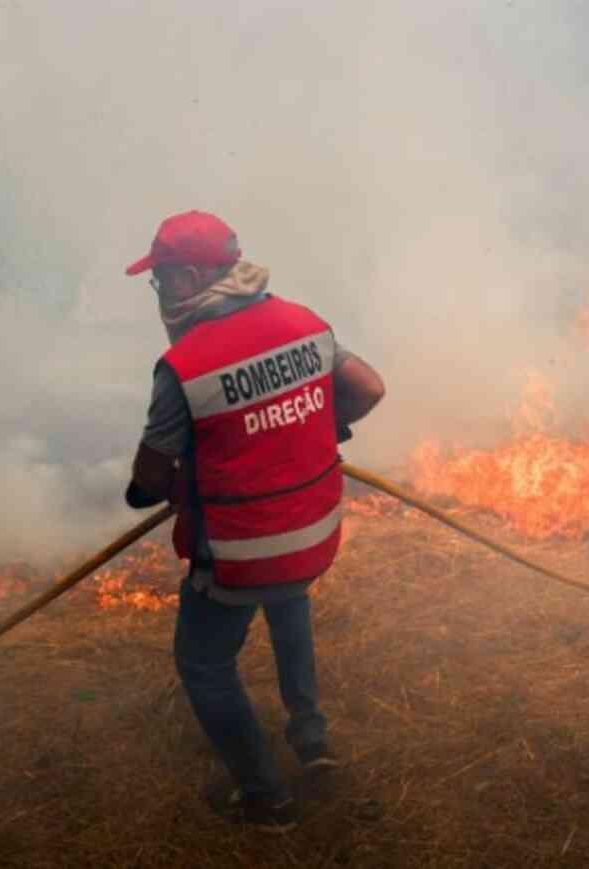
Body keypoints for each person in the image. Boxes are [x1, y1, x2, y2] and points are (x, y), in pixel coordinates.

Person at [123, 210, 385, 833]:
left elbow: (149, 481)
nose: (159, 294)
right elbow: (368, 389)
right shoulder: (303, 324)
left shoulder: (182, 368)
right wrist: (315, 426)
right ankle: (312, 739)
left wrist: (152, 488)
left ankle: (267, 799)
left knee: (204, 666)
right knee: (289, 600)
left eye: (161, 280)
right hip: (314, 535)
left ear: (188, 278)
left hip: (242, 554)